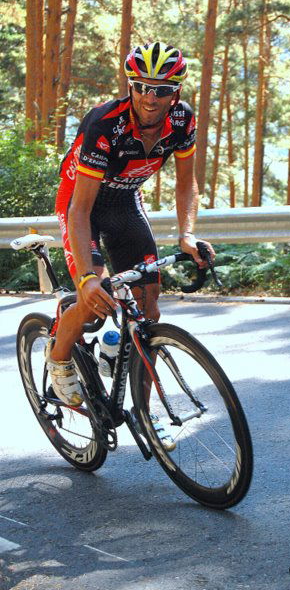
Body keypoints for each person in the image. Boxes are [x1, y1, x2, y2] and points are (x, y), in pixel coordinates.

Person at [47, 40, 215, 408]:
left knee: (149, 306)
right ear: (130, 86)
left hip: (125, 202)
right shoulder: (106, 124)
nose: (150, 98)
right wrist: (89, 279)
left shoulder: (182, 120)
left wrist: (186, 234)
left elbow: (187, 183)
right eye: (141, 87)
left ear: (176, 92)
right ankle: (59, 359)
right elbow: (80, 209)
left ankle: (142, 408)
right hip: (82, 204)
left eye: (161, 89)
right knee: (94, 299)